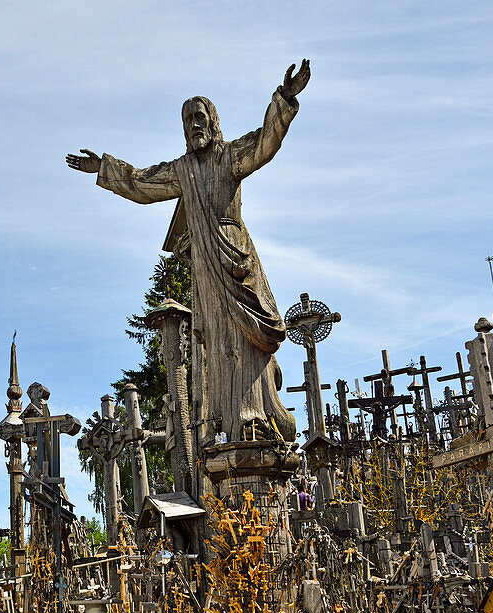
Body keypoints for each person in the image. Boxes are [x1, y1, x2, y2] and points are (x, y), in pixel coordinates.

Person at [66, 61, 310, 445]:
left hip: (237, 264)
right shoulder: (182, 170)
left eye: (200, 117)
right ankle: (226, 423)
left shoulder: (229, 156)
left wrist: (284, 99)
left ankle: (257, 416)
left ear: (213, 122)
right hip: (207, 273)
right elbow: (142, 183)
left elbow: (265, 142)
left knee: (248, 342)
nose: (194, 125)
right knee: (217, 344)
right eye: (187, 121)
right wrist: (105, 168)